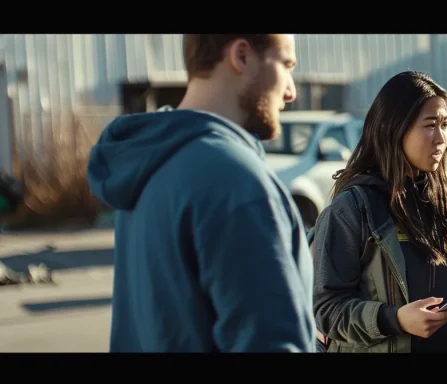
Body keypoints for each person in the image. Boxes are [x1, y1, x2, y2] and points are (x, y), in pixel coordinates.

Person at [86, 34, 316, 352]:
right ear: (242, 56)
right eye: (286, 64)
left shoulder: (148, 162)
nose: (290, 91)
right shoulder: (233, 179)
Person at [311, 71, 447, 353]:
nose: (441, 138)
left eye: (445, 124)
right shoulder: (353, 208)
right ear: (394, 128)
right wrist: (394, 319)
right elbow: (326, 309)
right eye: (430, 125)